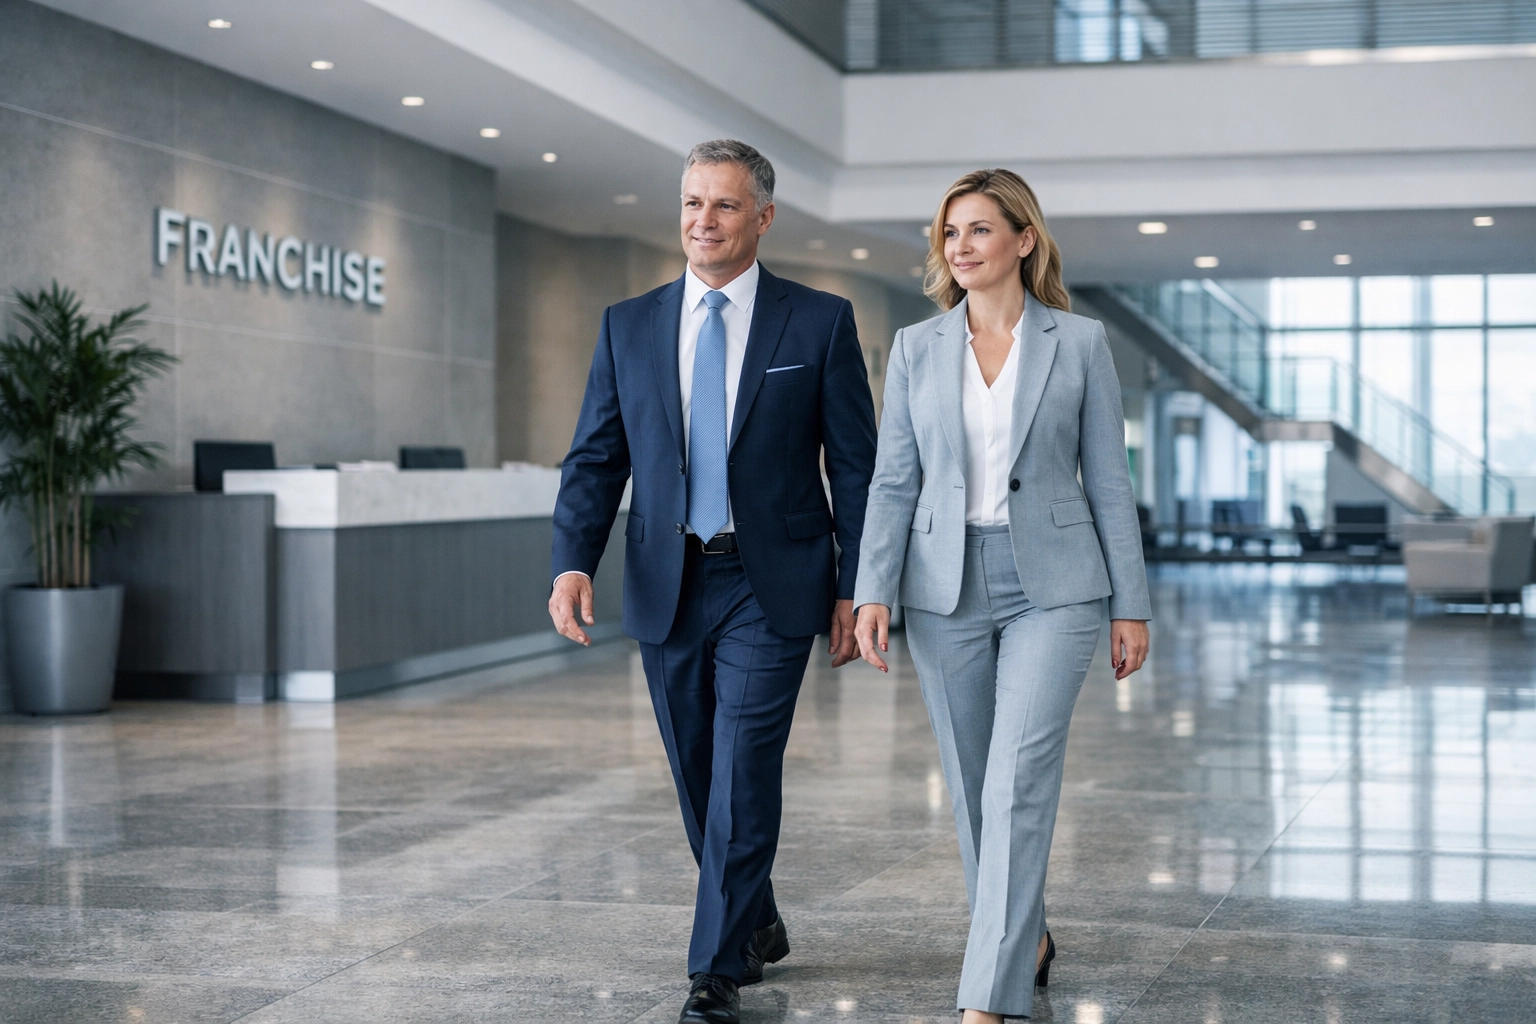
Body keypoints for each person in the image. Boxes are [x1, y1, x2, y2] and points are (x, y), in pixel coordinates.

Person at [548, 139, 877, 1024]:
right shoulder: (631, 323)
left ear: (763, 217)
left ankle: (715, 969)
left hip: (773, 583)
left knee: (741, 768)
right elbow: (595, 456)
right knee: (695, 771)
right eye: (693, 203)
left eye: (725, 206)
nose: (704, 221)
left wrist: (859, 585)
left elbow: (855, 467)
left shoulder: (818, 322)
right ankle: (755, 916)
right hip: (668, 579)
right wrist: (573, 559)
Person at [852, 169, 1151, 1023]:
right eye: (950, 234)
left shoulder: (1080, 342)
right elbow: (893, 480)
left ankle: (988, 996)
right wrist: (873, 587)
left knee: (1017, 777)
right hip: (944, 585)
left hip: (1056, 588)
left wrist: (1131, 602)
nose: (961, 247)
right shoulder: (916, 348)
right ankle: (1027, 933)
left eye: (979, 230)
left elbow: (1110, 482)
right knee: (973, 778)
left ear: (1024, 239)